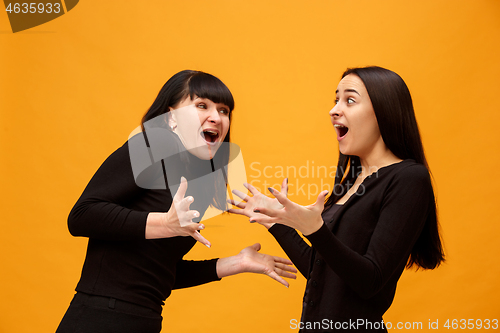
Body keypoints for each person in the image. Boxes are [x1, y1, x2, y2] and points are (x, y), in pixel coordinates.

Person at [56, 70, 297, 333]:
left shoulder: (199, 186)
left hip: (144, 320)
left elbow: (158, 273)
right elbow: (81, 216)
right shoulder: (148, 148)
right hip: (100, 316)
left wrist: (237, 263)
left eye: (224, 110)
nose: (216, 117)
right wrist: (164, 223)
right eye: (202, 106)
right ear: (171, 118)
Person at [229, 66, 445, 332]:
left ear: (383, 111)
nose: (334, 110)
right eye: (336, 99)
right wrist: (277, 221)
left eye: (349, 100)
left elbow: (370, 280)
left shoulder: (409, 178)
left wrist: (315, 229)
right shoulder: (349, 183)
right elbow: (323, 272)